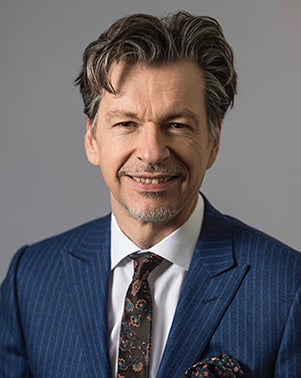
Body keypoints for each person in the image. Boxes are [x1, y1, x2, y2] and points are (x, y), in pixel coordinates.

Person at [0, 10, 300, 378]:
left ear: (213, 141)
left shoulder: (287, 288)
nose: (152, 151)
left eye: (176, 125)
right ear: (92, 140)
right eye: (126, 124)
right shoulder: (29, 279)